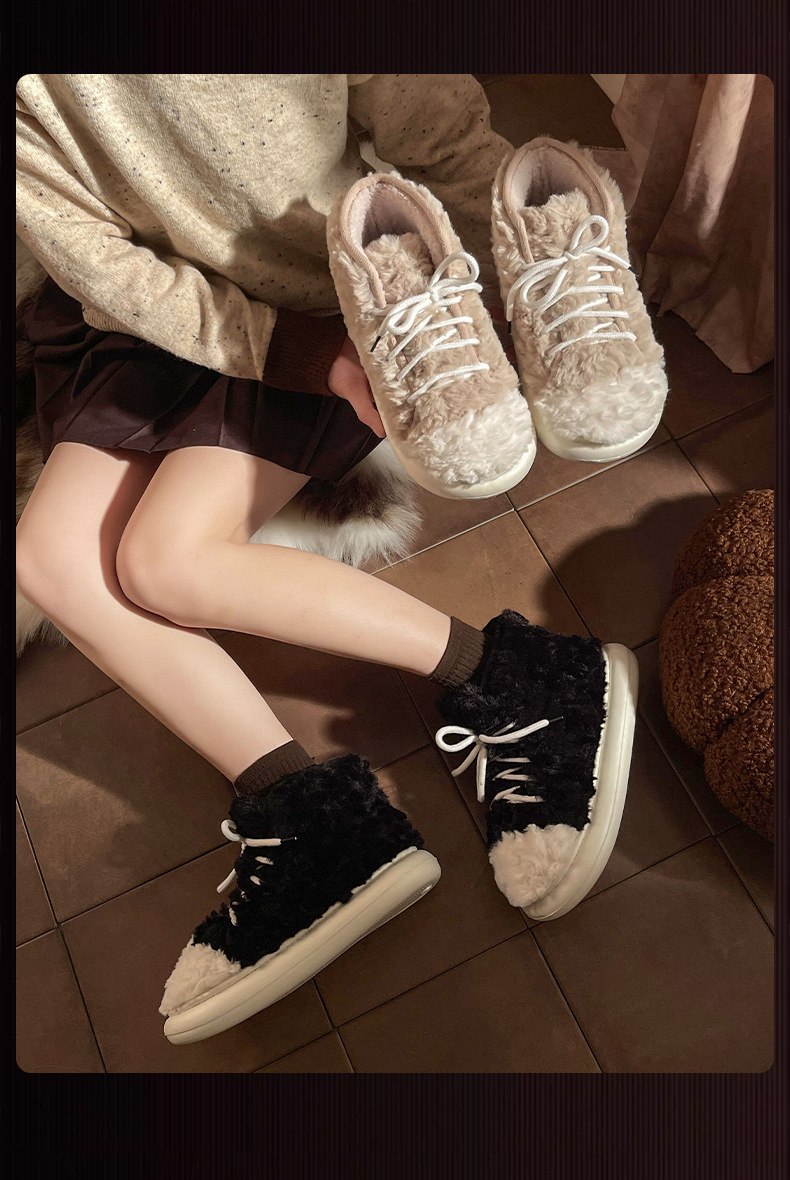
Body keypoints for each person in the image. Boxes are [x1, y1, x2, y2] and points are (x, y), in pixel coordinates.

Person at [16, 74, 633, 1046]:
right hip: (164, 320)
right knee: (51, 560)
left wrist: (518, 277)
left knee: (165, 563)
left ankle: (518, 677)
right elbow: (96, 261)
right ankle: (314, 816)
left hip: (330, 300)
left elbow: (437, 132)